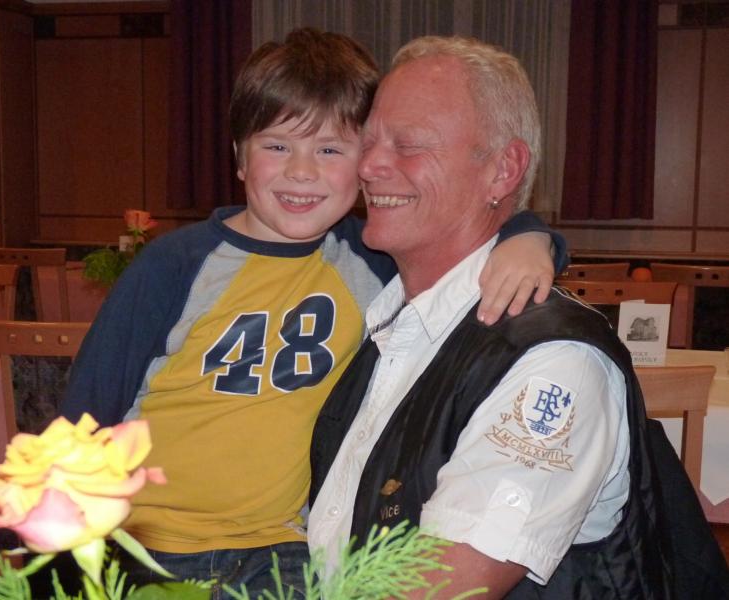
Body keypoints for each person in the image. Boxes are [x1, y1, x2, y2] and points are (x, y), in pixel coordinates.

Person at [60, 29, 565, 596]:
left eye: (330, 150)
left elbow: (465, 253)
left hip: (282, 549)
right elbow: (89, 408)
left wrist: (530, 237)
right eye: (277, 146)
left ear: (365, 163)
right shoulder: (176, 265)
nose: (302, 171)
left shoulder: (371, 259)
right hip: (146, 541)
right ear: (239, 157)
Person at [308, 35, 728, 598]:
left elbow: (445, 584)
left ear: (503, 170)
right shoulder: (390, 317)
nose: (369, 165)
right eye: (368, 142)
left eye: (408, 145)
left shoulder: (554, 361)